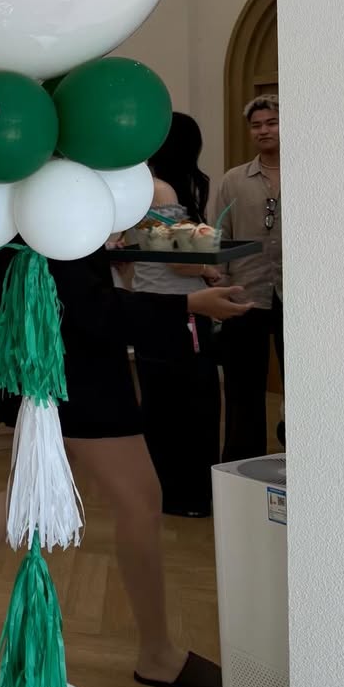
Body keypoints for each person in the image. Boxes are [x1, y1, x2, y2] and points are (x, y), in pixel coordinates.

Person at [0, 244, 252, 687]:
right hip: (71, 372)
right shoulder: (50, 209)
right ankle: (158, 654)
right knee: (140, 501)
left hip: (58, 363)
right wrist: (187, 304)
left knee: (35, 490)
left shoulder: (40, 212)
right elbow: (89, 307)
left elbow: (74, 287)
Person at [131, 113, 223, 516]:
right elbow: (180, 261)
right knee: (191, 405)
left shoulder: (141, 186)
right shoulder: (161, 190)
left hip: (152, 304)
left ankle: (168, 492)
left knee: (161, 403)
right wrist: (209, 268)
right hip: (179, 307)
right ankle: (188, 496)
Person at [213, 94, 284, 459]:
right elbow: (219, 236)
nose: (263, 131)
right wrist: (221, 287)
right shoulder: (234, 179)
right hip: (244, 293)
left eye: (271, 123)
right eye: (256, 126)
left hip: (298, 296)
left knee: (306, 386)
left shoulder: (312, 173)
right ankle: (241, 467)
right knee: (243, 390)